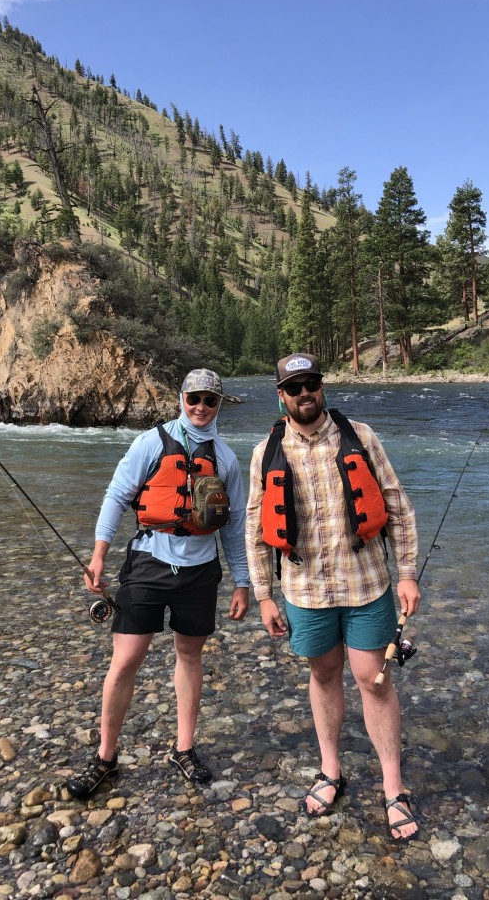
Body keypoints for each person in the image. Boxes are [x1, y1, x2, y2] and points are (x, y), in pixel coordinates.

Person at [245, 353, 421, 841]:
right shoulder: (266, 452)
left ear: (321, 387)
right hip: (303, 592)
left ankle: (393, 786)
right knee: (323, 675)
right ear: (280, 394)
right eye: (294, 386)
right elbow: (255, 530)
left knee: (375, 679)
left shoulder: (361, 437)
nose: (305, 393)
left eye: (312, 384)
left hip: (367, 584)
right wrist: (263, 595)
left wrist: (407, 575)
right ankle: (331, 771)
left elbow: (399, 509)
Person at [67, 369, 250, 800]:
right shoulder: (151, 442)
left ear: (219, 403)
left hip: (201, 571)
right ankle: (106, 758)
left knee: (189, 655)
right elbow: (116, 495)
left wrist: (243, 582)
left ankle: (183, 748)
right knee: (127, 658)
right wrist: (98, 555)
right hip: (149, 562)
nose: (201, 407)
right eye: (194, 399)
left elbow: (235, 524)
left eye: (210, 400)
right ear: (181, 398)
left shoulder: (225, 458)